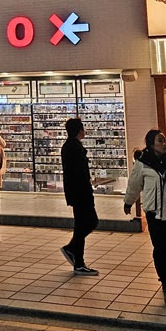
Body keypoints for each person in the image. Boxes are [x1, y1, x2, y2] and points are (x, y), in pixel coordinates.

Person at [122, 129, 166, 307]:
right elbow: (134, 184)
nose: (163, 143)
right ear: (151, 144)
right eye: (159, 141)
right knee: (159, 247)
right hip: (154, 213)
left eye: (164, 140)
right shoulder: (143, 163)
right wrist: (128, 202)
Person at [59, 117, 99, 276]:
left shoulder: (70, 146)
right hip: (81, 192)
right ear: (79, 130)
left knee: (82, 224)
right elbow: (78, 172)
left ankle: (78, 259)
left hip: (77, 192)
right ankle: (74, 252)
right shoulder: (74, 147)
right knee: (89, 222)